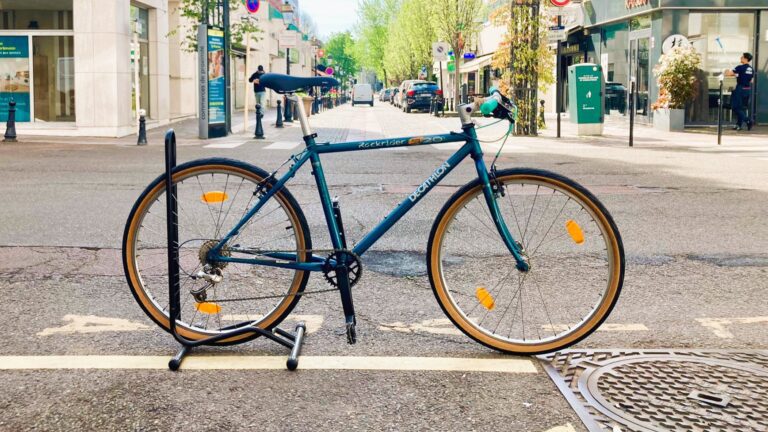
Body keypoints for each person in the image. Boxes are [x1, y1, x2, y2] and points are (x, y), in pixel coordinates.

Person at [725, 52, 754, 131]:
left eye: (742, 57)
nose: (740, 58)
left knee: (735, 107)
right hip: (747, 89)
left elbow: (728, 74)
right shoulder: (751, 69)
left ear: (745, 59)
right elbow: (751, 80)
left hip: (740, 89)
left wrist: (727, 70)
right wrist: (738, 75)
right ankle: (739, 125)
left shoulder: (740, 67)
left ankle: (748, 120)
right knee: (741, 108)